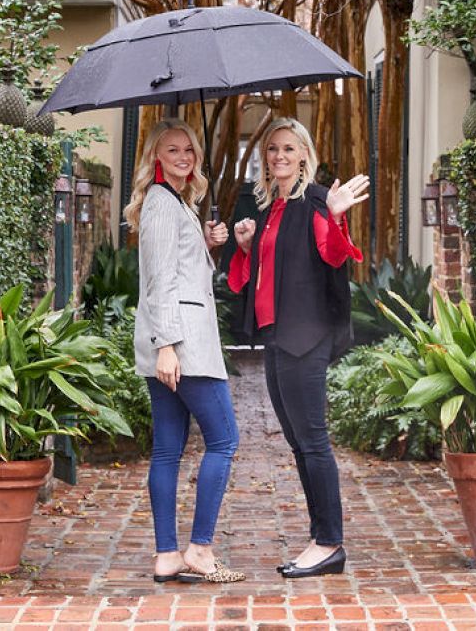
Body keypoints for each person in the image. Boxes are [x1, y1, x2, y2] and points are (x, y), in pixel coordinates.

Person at [227, 117, 369, 579]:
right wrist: (247, 246)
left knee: (313, 440)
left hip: (304, 335)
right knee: (298, 442)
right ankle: (320, 538)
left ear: (304, 154)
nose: (279, 156)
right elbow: (258, 274)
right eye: (272, 149)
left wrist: (337, 212)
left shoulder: (314, 201)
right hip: (276, 335)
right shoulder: (273, 208)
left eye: (289, 148)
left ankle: (329, 542)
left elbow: (332, 254)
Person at [125, 118, 245, 585]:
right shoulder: (160, 204)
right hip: (182, 345)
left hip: (173, 344)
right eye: (172, 149)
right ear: (156, 156)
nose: (183, 156)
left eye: (189, 150)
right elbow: (159, 282)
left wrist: (209, 244)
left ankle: (167, 556)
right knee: (224, 439)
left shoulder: (176, 203)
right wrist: (168, 346)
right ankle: (199, 549)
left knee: (169, 450)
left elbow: (185, 272)